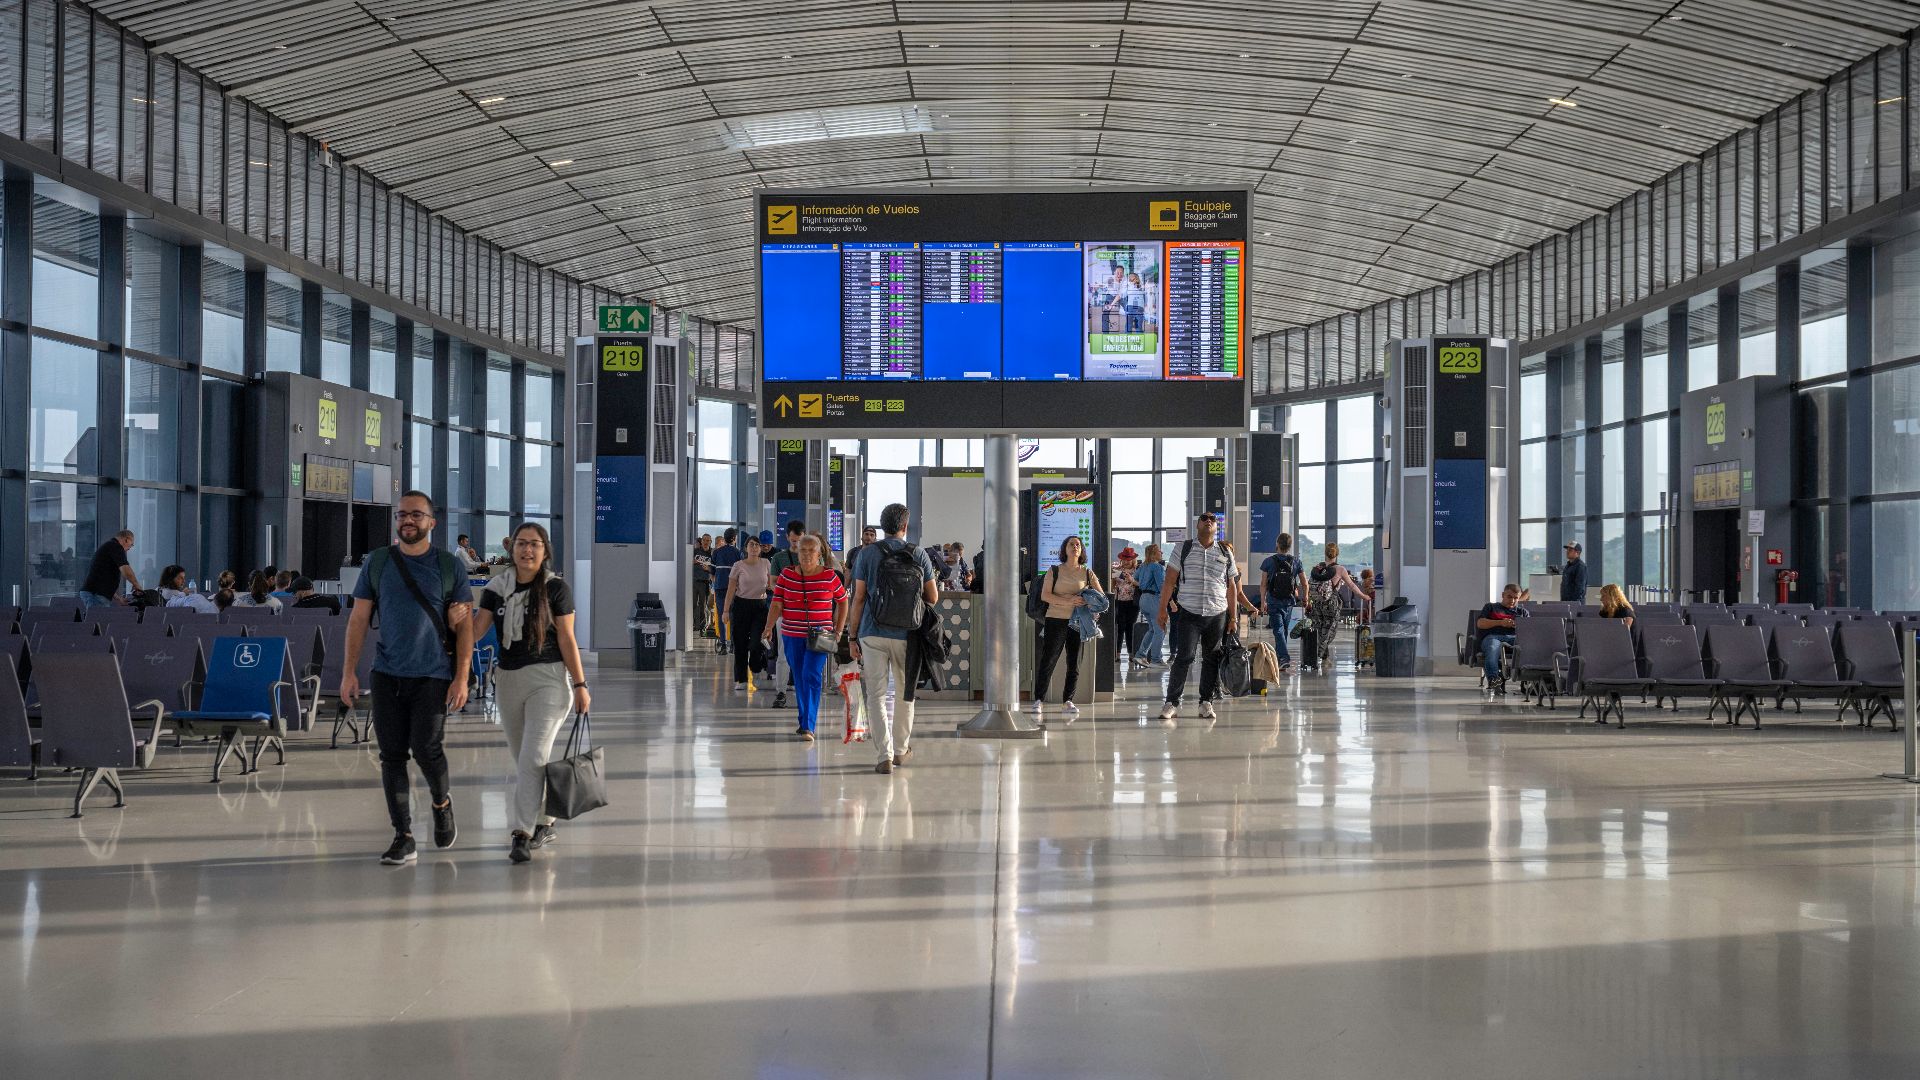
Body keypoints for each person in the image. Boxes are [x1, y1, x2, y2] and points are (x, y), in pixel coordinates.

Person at [341, 491, 474, 867]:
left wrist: (461, 678)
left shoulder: (449, 567)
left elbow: (464, 629)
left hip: (433, 675)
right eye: (402, 515)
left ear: (432, 522)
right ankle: (403, 835)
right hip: (387, 674)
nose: (407, 520)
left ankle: (441, 802)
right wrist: (349, 671)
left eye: (416, 514)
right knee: (392, 757)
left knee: (426, 749)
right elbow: (358, 620)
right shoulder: (378, 562)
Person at [470, 522, 588, 864]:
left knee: (532, 758)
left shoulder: (556, 589)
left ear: (544, 550)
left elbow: (567, 638)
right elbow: (478, 631)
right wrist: (456, 625)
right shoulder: (496, 587)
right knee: (526, 759)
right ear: (512, 549)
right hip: (507, 679)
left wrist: (580, 685)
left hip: (549, 680)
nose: (527, 550)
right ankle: (545, 820)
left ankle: (521, 833)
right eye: (521, 544)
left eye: (534, 544)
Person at [847, 503, 939, 774]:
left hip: (872, 632)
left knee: (875, 695)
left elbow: (859, 597)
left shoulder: (867, 554)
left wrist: (852, 637)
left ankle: (883, 756)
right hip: (907, 634)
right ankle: (901, 750)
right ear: (905, 526)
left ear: (881, 526)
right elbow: (932, 597)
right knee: (904, 692)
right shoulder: (919, 554)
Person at [1156, 514, 1245, 721]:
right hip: (1189, 612)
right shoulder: (1183, 548)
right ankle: (1172, 702)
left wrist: (1233, 617)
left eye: (1212, 520)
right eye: (1204, 518)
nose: (1209, 521)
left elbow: (1231, 587)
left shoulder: (1225, 552)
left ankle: (1206, 702)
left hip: (1217, 614)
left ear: (1216, 527)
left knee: (1211, 658)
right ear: (1197, 525)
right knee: (1183, 657)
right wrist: (1162, 610)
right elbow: (1169, 581)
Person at [762, 532, 846, 742]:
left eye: (812, 550)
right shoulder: (786, 575)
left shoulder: (830, 576)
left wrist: (839, 629)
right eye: (803, 550)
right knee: (799, 677)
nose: (807, 554)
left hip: (822, 635)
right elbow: (777, 603)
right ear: (797, 553)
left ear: (819, 553)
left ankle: (809, 725)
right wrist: (768, 627)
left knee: (811, 674)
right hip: (792, 634)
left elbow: (843, 601)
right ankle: (803, 722)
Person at [1034, 536, 1104, 716]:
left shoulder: (1087, 573)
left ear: (1082, 550)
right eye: (1071, 544)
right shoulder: (1054, 570)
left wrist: (1090, 601)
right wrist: (1070, 600)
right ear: (1064, 549)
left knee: (1075, 663)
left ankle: (1068, 701)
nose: (1075, 547)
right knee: (1048, 660)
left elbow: (1101, 598)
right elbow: (1045, 596)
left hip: (1078, 623)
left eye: (1078, 544)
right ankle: (1039, 699)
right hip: (1055, 619)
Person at [1304, 543, 1372, 673]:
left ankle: (1325, 658)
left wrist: (1309, 601)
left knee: (1320, 629)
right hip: (1332, 603)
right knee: (1330, 630)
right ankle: (1317, 653)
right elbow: (1351, 586)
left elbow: (1310, 585)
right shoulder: (1340, 569)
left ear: (1325, 553)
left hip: (1318, 603)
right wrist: (1363, 596)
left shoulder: (1317, 568)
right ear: (1337, 554)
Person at [722, 535, 773, 690]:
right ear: (745, 548)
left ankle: (756, 669)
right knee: (740, 643)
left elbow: (771, 585)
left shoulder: (766, 563)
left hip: (760, 607)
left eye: (757, 545)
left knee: (756, 643)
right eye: (751, 545)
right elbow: (731, 589)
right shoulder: (738, 565)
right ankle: (741, 679)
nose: (754, 547)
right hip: (741, 606)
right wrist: (725, 610)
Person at [1258, 533, 1306, 672]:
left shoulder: (1268, 561)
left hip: (1273, 600)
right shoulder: (1296, 561)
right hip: (1289, 601)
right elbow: (1304, 583)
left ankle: (1284, 658)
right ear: (1289, 546)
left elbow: (1263, 584)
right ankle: (1281, 660)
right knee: (1283, 629)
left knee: (1279, 630)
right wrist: (1306, 598)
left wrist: (1262, 602)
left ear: (1277, 544)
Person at [1476, 584, 1523, 695]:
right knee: (1492, 648)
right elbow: (1480, 623)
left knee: (1528, 645)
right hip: (1493, 637)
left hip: (1514, 638)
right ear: (1503, 595)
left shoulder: (1522, 612)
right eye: (1509, 597)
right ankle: (1494, 680)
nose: (1512, 600)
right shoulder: (1491, 607)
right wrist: (1501, 622)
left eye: (1516, 598)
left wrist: (1518, 626)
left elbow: (1530, 631)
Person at [80, 530, 140, 607]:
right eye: (131, 544)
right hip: (96, 595)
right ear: (126, 539)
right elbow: (125, 569)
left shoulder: (110, 547)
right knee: (99, 619)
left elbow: (104, 578)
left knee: (98, 618)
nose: (130, 548)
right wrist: (137, 585)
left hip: (94, 593)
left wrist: (118, 598)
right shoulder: (116, 547)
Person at [1134, 544, 1168, 667]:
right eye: (1160, 551)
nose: (1162, 552)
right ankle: (1156, 659)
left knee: (1152, 629)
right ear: (1154, 553)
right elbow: (1161, 586)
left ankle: (1140, 655)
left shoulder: (1143, 566)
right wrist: (1170, 602)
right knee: (1160, 630)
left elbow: (1134, 579)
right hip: (1154, 599)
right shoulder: (1158, 567)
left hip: (1143, 599)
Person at [1111, 547, 1142, 667]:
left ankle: (1131, 654)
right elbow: (1112, 586)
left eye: (1128, 559)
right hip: (1119, 601)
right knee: (1120, 627)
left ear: (1133, 559)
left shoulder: (1137, 571)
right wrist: (1113, 578)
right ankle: (1117, 654)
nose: (1126, 561)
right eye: (1124, 559)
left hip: (1133, 603)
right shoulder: (1116, 570)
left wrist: (1132, 580)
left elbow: (1141, 584)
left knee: (1130, 627)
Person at [691, 534, 715, 636]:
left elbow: (714, 568)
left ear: (710, 542)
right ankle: (693, 625)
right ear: (701, 541)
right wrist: (691, 562)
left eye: (708, 540)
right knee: (692, 604)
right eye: (704, 540)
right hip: (693, 581)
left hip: (705, 582)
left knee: (703, 605)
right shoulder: (695, 552)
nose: (706, 542)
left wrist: (708, 569)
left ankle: (702, 627)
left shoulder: (712, 554)